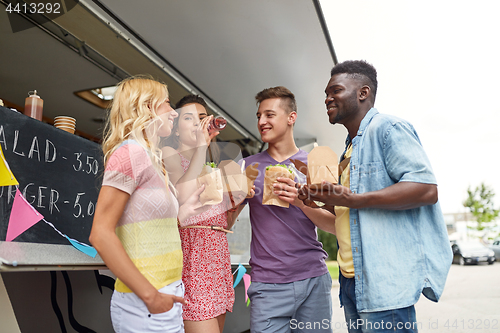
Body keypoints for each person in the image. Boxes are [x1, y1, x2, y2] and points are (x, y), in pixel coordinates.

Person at [299, 60, 453, 333]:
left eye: (335, 90)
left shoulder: (388, 128)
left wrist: (354, 199)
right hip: (351, 281)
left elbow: (426, 189)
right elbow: (350, 214)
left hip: (383, 285)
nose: (327, 98)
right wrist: (317, 200)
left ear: (363, 92)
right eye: (326, 93)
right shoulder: (349, 147)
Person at [89, 77, 207, 333]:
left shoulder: (151, 158)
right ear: (145, 106)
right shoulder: (129, 152)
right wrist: (151, 297)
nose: (173, 112)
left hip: (167, 295)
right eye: (166, 103)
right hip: (146, 303)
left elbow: (147, 226)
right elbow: (100, 233)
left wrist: (185, 210)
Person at [229, 86, 336, 333]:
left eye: (269, 115)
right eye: (258, 116)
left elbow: (333, 224)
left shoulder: (316, 164)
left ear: (291, 118)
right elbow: (225, 225)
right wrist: (237, 199)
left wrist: (300, 200)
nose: (262, 122)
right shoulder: (245, 167)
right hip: (267, 286)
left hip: (312, 281)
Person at [162, 95, 244, 333]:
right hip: (194, 262)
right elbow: (182, 196)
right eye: (189, 118)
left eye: (202, 118)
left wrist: (239, 202)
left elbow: (221, 224)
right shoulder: (170, 152)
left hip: (217, 261)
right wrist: (201, 146)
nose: (198, 123)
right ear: (176, 130)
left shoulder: (212, 167)